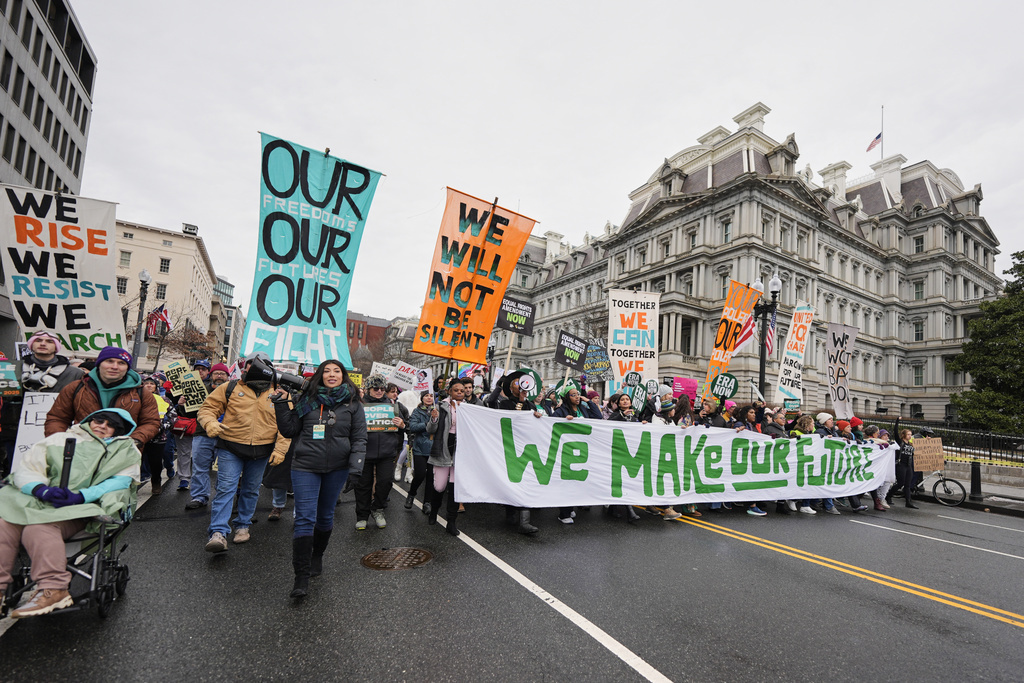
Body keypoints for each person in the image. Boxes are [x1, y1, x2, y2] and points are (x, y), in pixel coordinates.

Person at [0, 409, 140, 617]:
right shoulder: (58, 439)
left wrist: (81, 496)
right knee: (4, 524)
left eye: (109, 425)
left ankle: (54, 588)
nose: (102, 425)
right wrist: (40, 489)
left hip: (82, 510)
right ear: (89, 421)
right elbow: (28, 468)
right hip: (42, 501)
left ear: (118, 431)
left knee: (39, 528)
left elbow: (119, 482)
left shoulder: (126, 449)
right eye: (98, 420)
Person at [272, 360, 365, 598]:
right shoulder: (307, 399)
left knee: (324, 518)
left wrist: (356, 468)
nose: (331, 375)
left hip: (337, 468)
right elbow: (289, 430)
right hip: (305, 466)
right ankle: (300, 577)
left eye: (336, 371)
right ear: (319, 377)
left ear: (343, 376)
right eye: (327, 371)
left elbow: (359, 438)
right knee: (304, 518)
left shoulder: (353, 403)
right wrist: (281, 404)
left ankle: (317, 556)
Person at [197, 352, 291, 552]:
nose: (253, 368)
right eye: (250, 364)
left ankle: (243, 525)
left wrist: (281, 450)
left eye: (261, 364)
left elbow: (287, 425)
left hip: (262, 450)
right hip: (231, 447)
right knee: (226, 488)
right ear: (244, 367)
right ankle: (218, 532)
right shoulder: (229, 387)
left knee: (250, 489)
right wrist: (210, 423)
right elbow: (207, 409)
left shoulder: (280, 393)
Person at [44, 346, 161, 451]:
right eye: (109, 361)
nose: (115, 367)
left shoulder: (141, 393)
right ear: (99, 363)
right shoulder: (75, 388)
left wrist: (134, 440)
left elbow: (151, 422)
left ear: (127, 368)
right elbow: (57, 418)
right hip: (80, 451)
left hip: (122, 455)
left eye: (121, 363)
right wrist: (58, 442)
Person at [487, 371, 544, 534]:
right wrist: (517, 401)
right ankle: (511, 511)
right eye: (517, 384)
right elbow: (510, 417)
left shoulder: (531, 405)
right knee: (512, 481)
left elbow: (534, 420)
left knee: (525, 481)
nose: (521, 387)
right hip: (509, 448)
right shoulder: (504, 404)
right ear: (511, 389)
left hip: (526, 448)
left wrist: (537, 415)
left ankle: (524, 521)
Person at [354, 375, 407, 531]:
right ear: (368, 389)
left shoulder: (393, 405)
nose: (379, 391)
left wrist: (402, 424)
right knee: (363, 485)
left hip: (386, 452)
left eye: (382, 389)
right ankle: (362, 516)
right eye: (375, 388)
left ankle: (377, 509)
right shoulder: (360, 405)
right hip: (364, 452)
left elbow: (406, 426)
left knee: (385, 483)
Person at [425, 377, 467, 536]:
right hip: (443, 448)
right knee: (439, 487)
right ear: (449, 391)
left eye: (462, 391)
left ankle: (452, 522)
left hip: (461, 451)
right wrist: (434, 418)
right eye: (456, 390)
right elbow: (430, 429)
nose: (459, 393)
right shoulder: (441, 406)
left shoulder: (469, 408)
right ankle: (434, 512)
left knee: (455, 487)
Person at [405, 391, 437, 515]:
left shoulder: (437, 410)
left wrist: (436, 418)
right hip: (419, 447)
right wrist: (429, 423)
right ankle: (411, 494)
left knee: (431, 476)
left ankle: (427, 502)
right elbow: (413, 427)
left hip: (434, 447)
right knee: (419, 474)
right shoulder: (417, 411)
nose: (429, 398)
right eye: (426, 396)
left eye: (431, 396)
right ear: (422, 398)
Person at [140, 377, 172, 495]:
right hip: (140, 437)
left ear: (156, 387)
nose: (148, 386)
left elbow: (173, 416)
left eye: (151, 384)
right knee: (137, 461)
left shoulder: (164, 400)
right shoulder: (137, 398)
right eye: (146, 383)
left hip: (158, 437)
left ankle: (156, 482)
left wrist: (163, 427)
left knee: (156, 463)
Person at [894, 421, 918, 509]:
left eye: (910, 434)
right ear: (904, 435)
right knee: (900, 483)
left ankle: (908, 502)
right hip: (901, 465)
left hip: (908, 466)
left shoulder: (911, 444)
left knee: (907, 484)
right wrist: (897, 421)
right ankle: (888, 495)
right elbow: (895, 432)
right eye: (908, 434)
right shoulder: (900, 442)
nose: (910, 436)